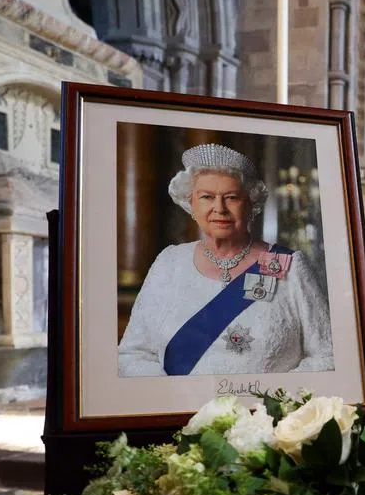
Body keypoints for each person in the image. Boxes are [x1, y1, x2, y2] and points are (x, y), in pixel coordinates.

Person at [118, 143, 334, 376]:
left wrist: (273, 402)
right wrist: (174, 398)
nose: (219, 208)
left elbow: (328, 355)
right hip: (180, 410)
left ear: (252, 204)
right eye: (207, 197)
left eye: (231, 197)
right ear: (191, 203)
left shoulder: (288, 266)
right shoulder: (168, 263)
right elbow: (133, 354)